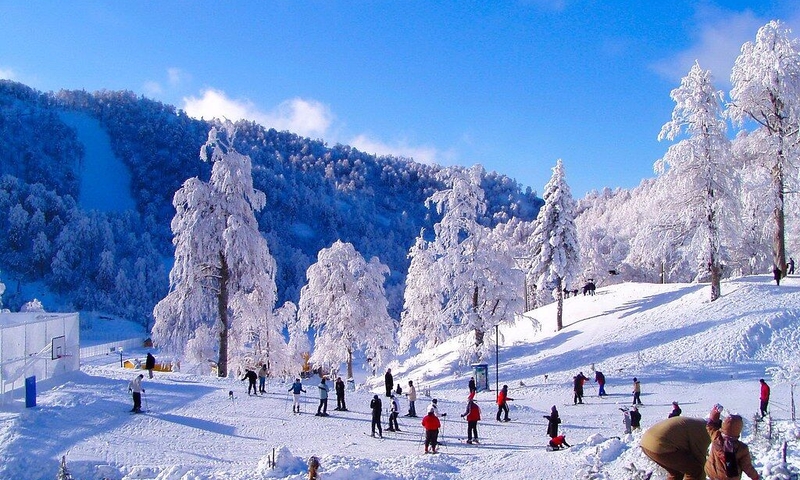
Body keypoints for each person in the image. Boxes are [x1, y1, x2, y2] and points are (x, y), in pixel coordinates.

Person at [640, 416, 712, 480]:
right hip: (659, 445)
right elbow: (699, 457)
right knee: (695, 470)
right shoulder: (704, 431)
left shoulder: (697, 424)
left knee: (677, 473)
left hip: (646, 442)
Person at [705, 405, 761, 480]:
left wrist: (715, 411)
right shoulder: (741, 448)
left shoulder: (716, 436)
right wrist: (756, 477)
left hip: (712, 473)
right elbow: (747, 467)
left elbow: (710, 424)